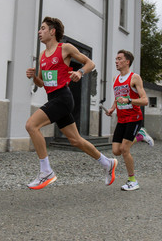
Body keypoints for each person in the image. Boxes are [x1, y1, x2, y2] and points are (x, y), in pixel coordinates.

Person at [25, 16, 117, 190]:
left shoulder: (65, 48)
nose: (40, 31)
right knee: (76, 140)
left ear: (52, 32)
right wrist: (34, 77)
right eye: (40, 28)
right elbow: (43, 84)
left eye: (43, 28)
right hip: (53, 98)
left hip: (63, 98)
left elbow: (90, 63)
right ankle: (108, 163)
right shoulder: (42, 56)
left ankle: (46, 172)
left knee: (31, 125)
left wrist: (80, 73)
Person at [106, 49, 151, 191]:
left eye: (119, 59)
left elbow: (145, 100)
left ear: (127, 62)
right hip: (122, 119)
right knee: (115, 151)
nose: (116, 61)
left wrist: (129, 100)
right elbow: (117, 97)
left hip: (134, 117)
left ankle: (133, 180)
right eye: (116, 59)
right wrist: (113, 108)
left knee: (125, 150)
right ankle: (141, 136)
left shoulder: (134, 78)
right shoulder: (115, 79)